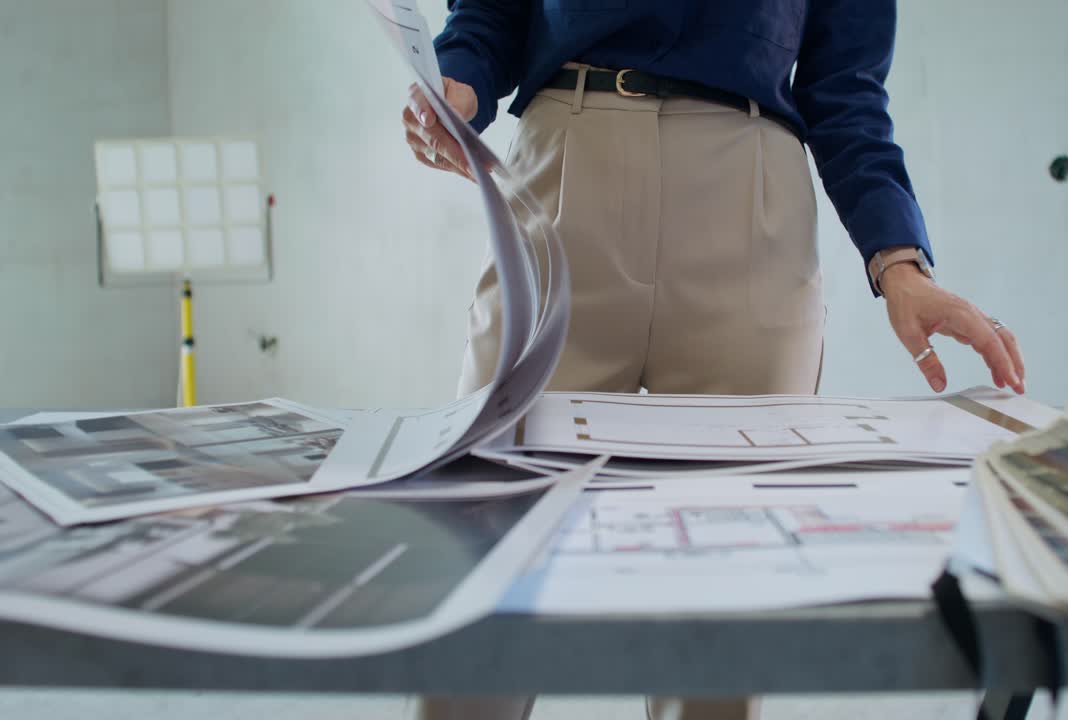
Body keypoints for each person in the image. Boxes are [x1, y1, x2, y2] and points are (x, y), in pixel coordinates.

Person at [402, 2, 1026, 718]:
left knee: (722, 599)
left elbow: (847, 88)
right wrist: (458, 79)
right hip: (560, 177)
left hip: (748, 199)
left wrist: (901, 262)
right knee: (487, 544)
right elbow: (489, 13)